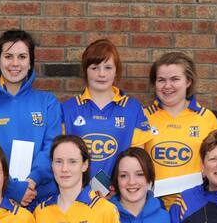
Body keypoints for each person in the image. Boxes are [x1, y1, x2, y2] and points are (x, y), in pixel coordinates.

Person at [0, 29, 62, 208]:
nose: (15, 63)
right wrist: (15, 189)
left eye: (22, 57)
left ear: (30, 63)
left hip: (44, 200)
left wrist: (32, 181)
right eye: (8, 56)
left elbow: (52, 147)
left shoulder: (48, 103)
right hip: (0, 202)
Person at [62, 39, 154, 194]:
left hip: (120, 195)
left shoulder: (132, 108)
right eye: (95, 67)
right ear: (85, 70)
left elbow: (137, 159)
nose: (102, 74)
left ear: (116, 70)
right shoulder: (69, 109)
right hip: (78, 195)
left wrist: (119, 186)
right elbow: (61, 156)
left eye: (108, 67)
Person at [142, 52, 217, 203]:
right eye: (161, 80)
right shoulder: (143, 117)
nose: (167, 86)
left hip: (196, 206)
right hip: (153, 207)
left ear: (188, 81)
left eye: (175, 79)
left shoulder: (206, 118)